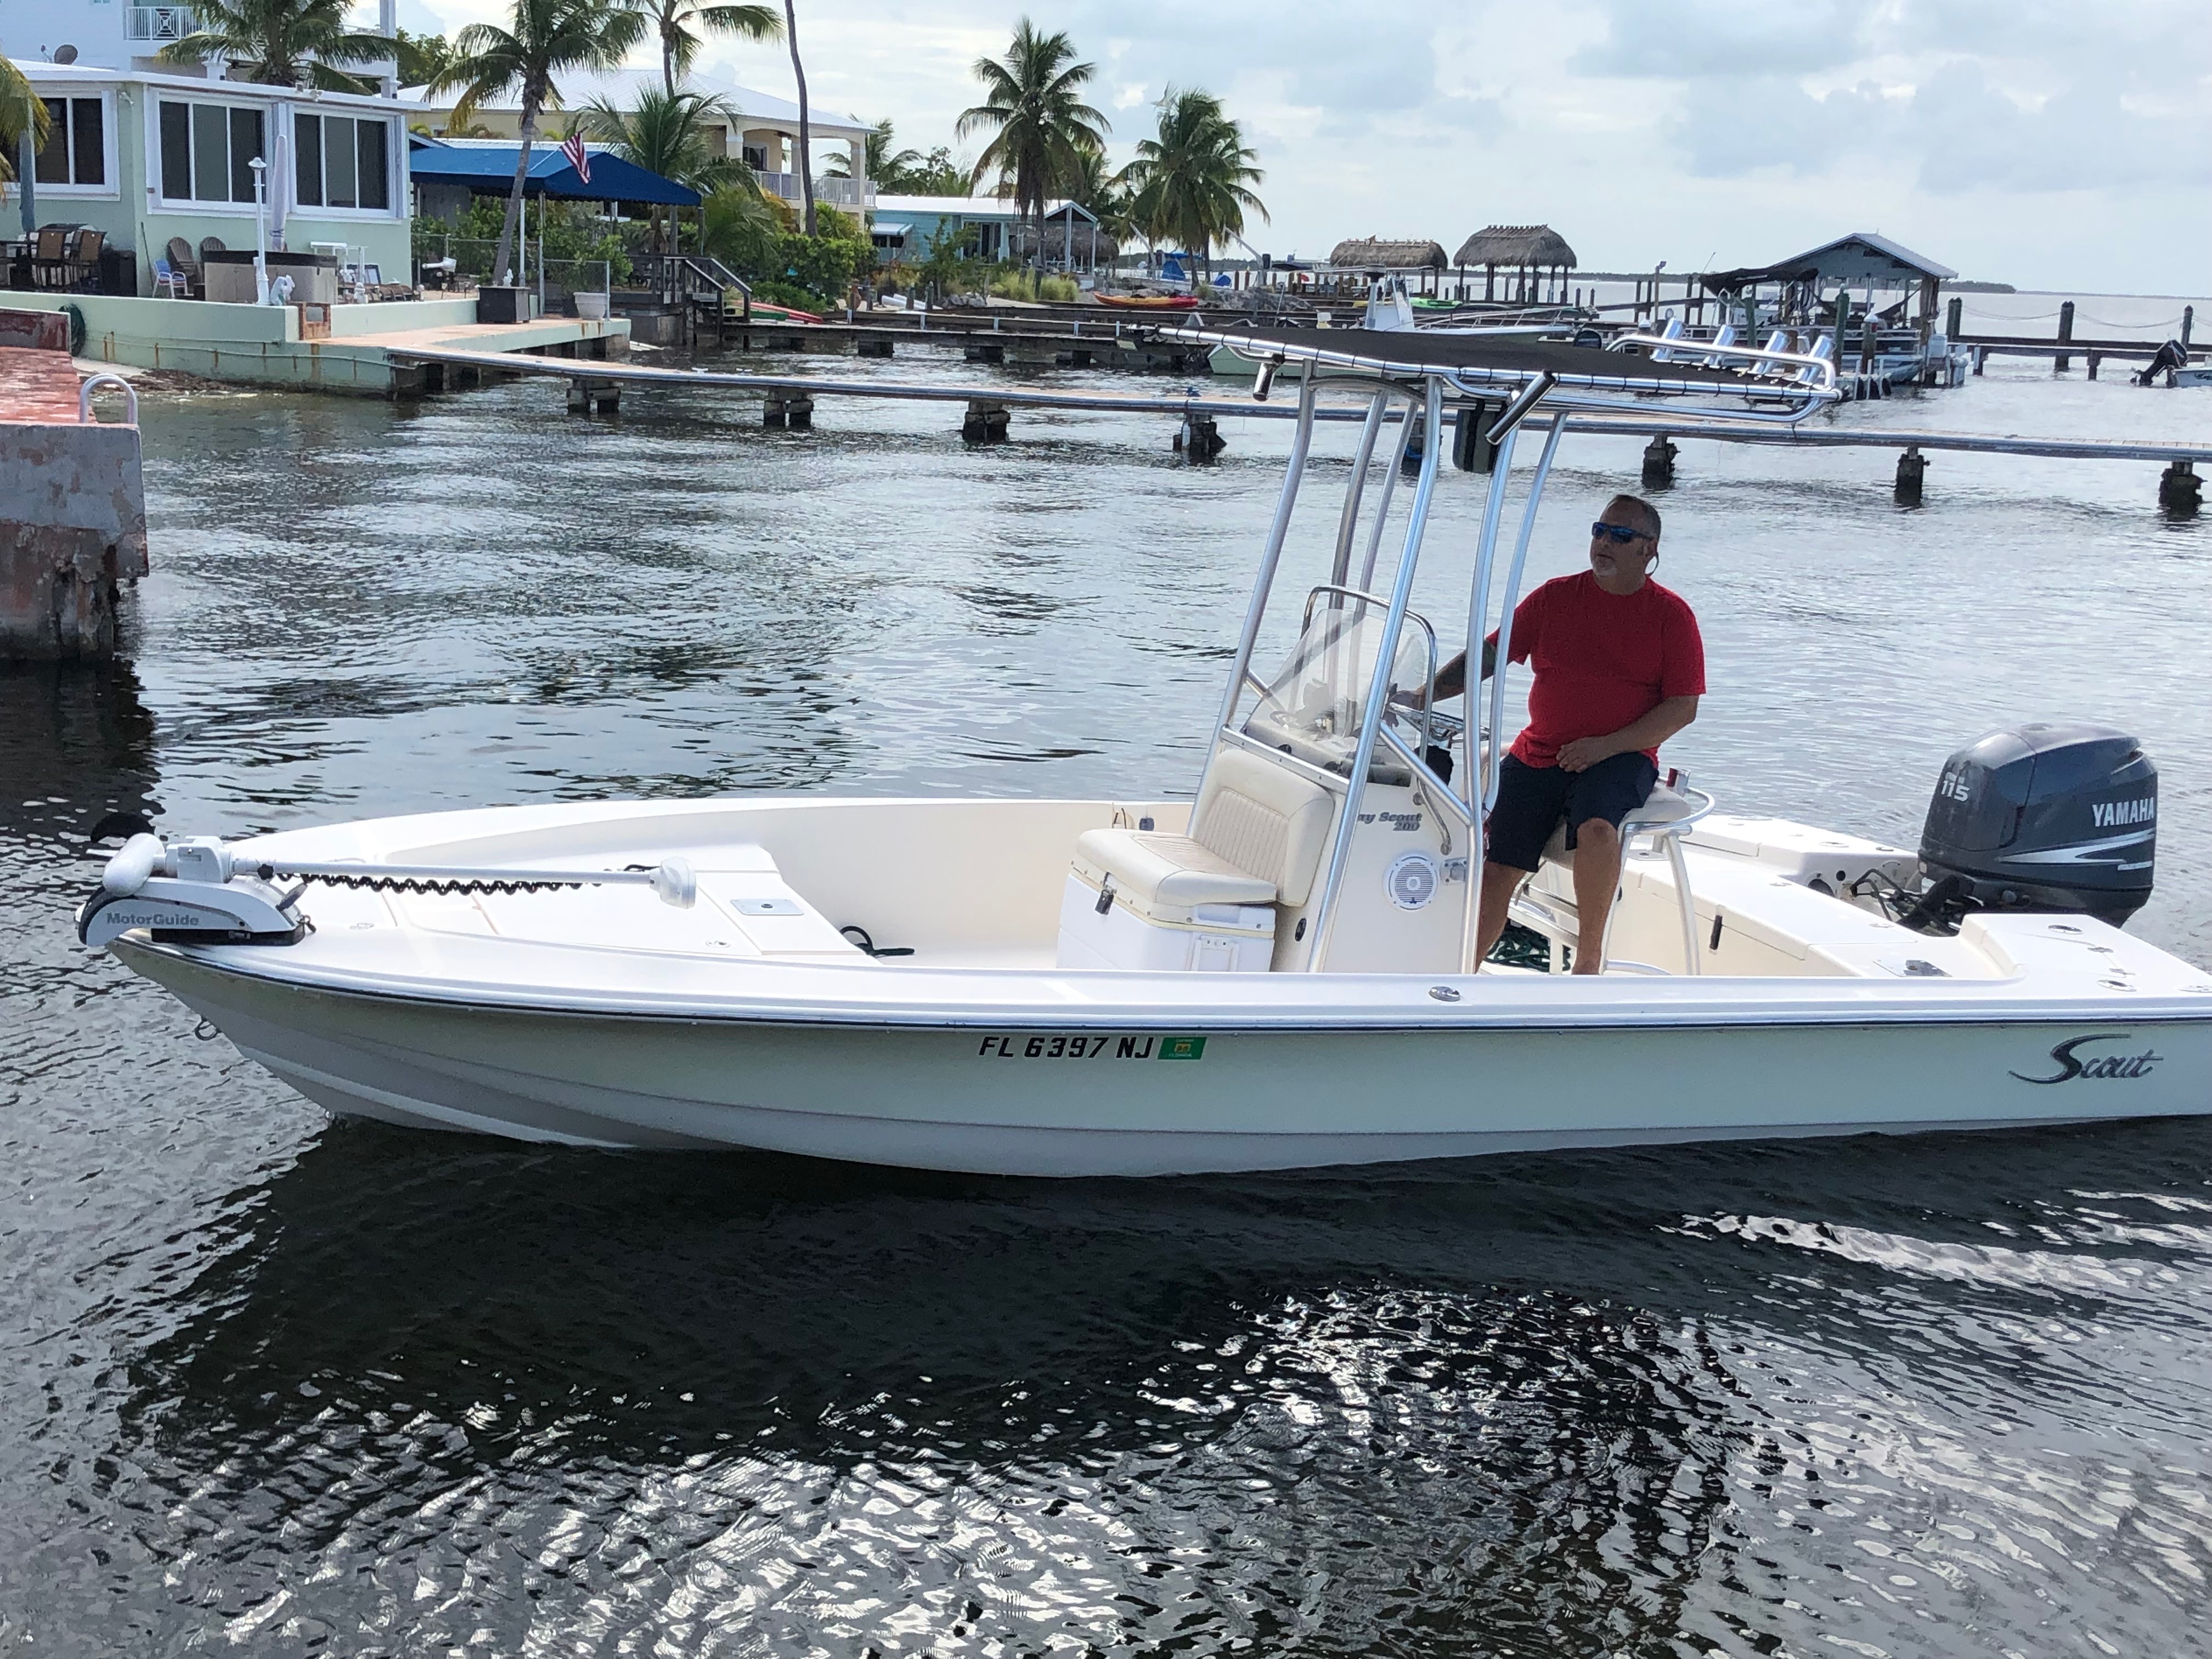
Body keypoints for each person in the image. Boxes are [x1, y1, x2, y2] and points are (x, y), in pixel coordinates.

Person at [1427, 494, 1704, 974]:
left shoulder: (1671, 617)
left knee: (1598, 828)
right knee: (1499, 867)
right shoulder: (1555, 598)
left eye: (1620, 536)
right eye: (1599, 531)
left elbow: (1683, 708)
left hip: (1622, 753)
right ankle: (1460, 974)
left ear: (1648, 550)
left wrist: (1606, 746)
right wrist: (1424, 694)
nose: (1604, 543)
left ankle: (1589, 961)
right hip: (1540, 753)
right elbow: (1487, 658)